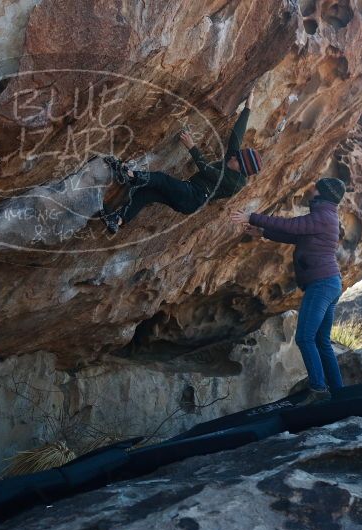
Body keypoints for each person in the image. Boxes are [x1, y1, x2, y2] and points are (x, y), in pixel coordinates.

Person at [231, 177, 348, 406]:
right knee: (322, 341)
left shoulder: (322, 216)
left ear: (322, 193)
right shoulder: (325, 216)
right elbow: (295, 235)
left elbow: (292, 226)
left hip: (322, 284)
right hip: (330, 282)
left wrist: (251, 216)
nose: (311, 187)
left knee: (305, 338)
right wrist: (262, 231)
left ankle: (319, 390)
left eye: (316, 186)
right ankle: (339, 393)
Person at [100, 90, 262, 233]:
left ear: (241, 169)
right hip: (188, 191)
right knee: (146, 193)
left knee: (161, 179)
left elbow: (207, 170)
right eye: (236, 155)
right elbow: (236, 136)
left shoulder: (236, 182)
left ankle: (128, 175)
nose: (233, 156)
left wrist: (192, 146)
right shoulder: (234, 162)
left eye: (237, 159)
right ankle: (118, 220)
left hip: (193, 198)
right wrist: (248, 107)